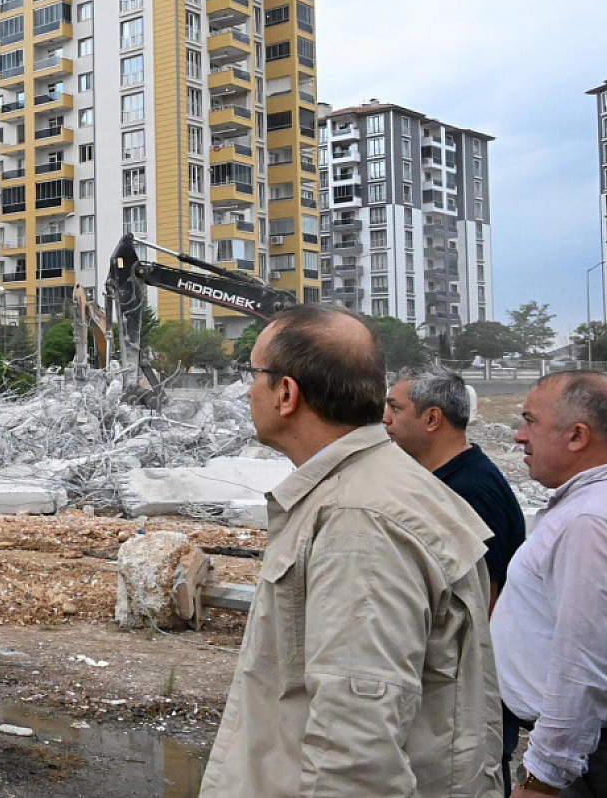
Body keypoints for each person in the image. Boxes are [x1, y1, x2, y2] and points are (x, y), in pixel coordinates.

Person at [200, 305, 503, 798]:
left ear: (286, 393)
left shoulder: (358, 521)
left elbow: (358, 747)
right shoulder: (372, 491)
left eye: (253, 374)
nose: (247, 389)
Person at [494, 371, 607, 797]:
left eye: (530, 421)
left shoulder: (595, 523)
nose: (518, 436)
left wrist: (542, 780)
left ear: (576, 436)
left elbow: (584, 667)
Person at [384, 364, 529, 791]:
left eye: (394, 409)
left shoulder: (469, 491)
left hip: (467, 700)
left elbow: (483, 601)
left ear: (432, 419)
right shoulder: (447, 482)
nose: (384, 420)